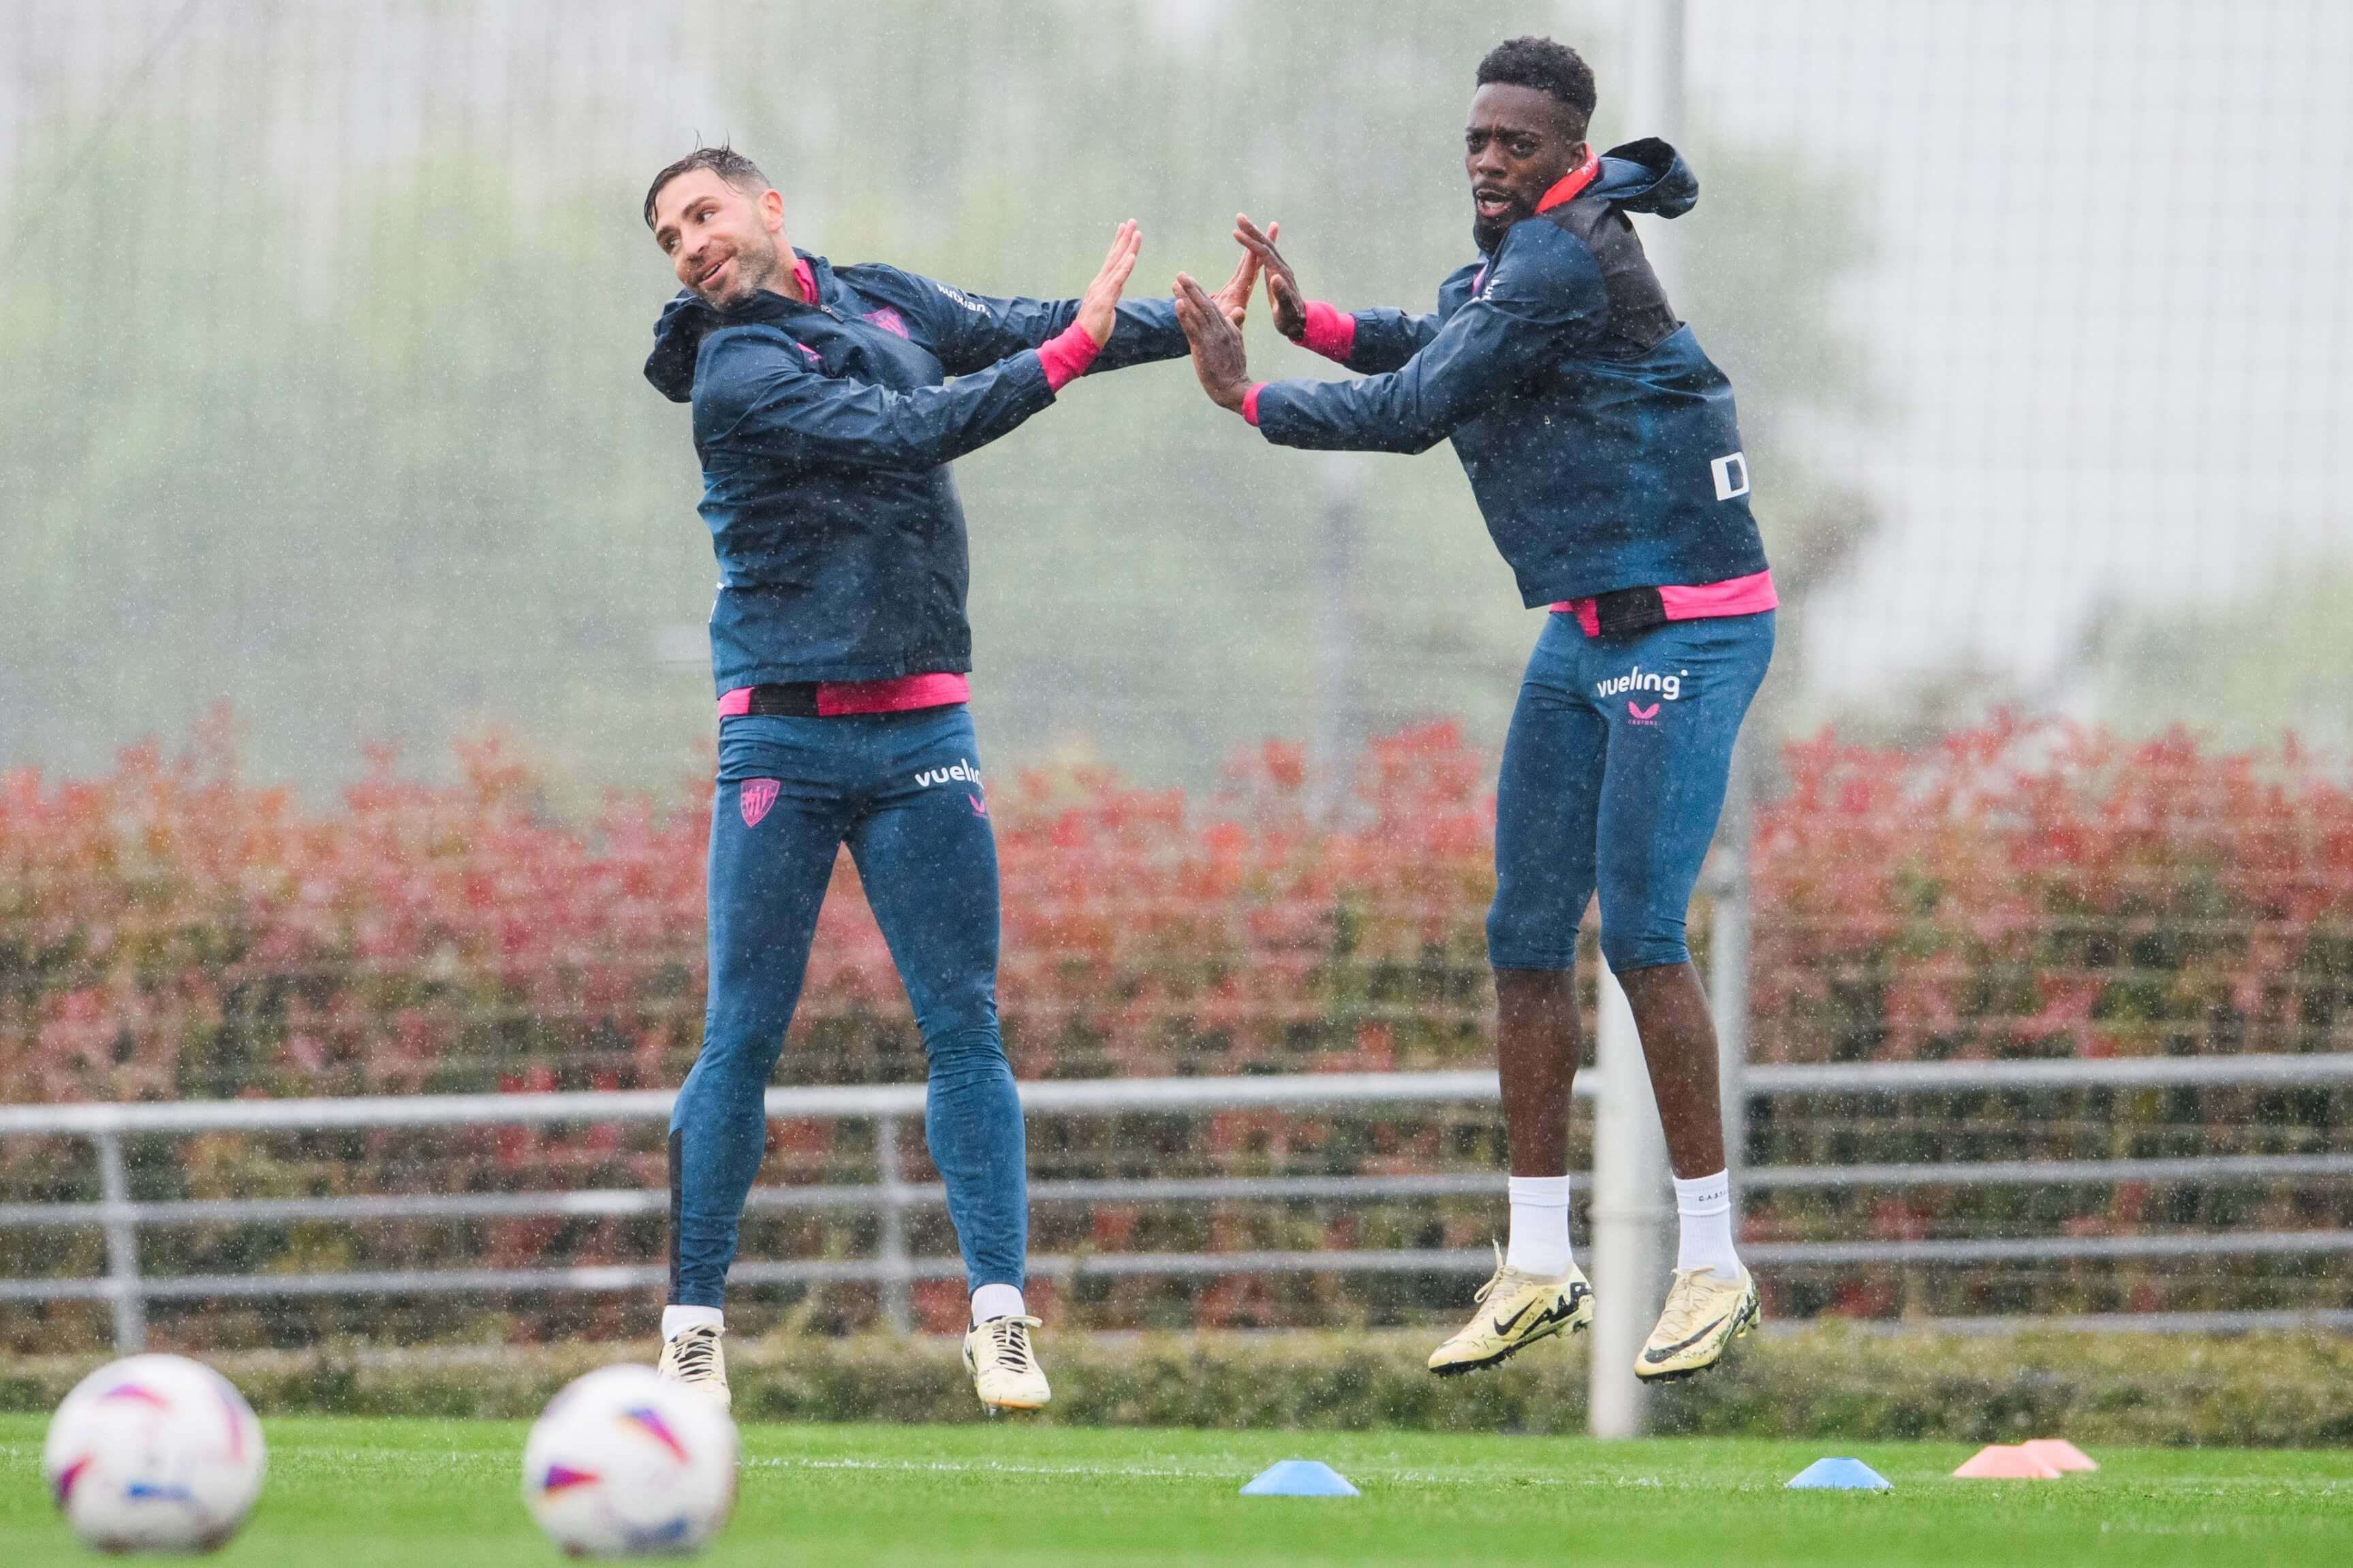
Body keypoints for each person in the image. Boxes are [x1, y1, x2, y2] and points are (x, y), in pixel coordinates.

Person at [1171, 37, 1773, 1384]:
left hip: (1689, 623)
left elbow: (1414, 407)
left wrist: (1246, 398)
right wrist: (1304, 320)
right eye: (1474, 141)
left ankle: (1713, 1263)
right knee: (1518, 936)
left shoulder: (1566, 257)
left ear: (1571, 155)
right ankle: (1538, 1261)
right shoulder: (1515, 262)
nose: (1486, 161)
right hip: (1581, 630)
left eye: (1514, 144)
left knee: (1641, 930)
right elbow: (1428, 339)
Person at [641, 146, 1256, 1411]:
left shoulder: (879, 296)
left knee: (963, 1023)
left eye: (702, 214)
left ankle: (998, 1317)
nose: (688, 244)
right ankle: (693, 1325)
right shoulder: (735, 372)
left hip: (921, 729)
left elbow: (1025, 327)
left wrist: (1191, 321)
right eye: (666, 237)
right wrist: (1073, 357)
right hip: (784, 738)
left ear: (768, 206)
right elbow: (913, 427)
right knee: (743, 1035)